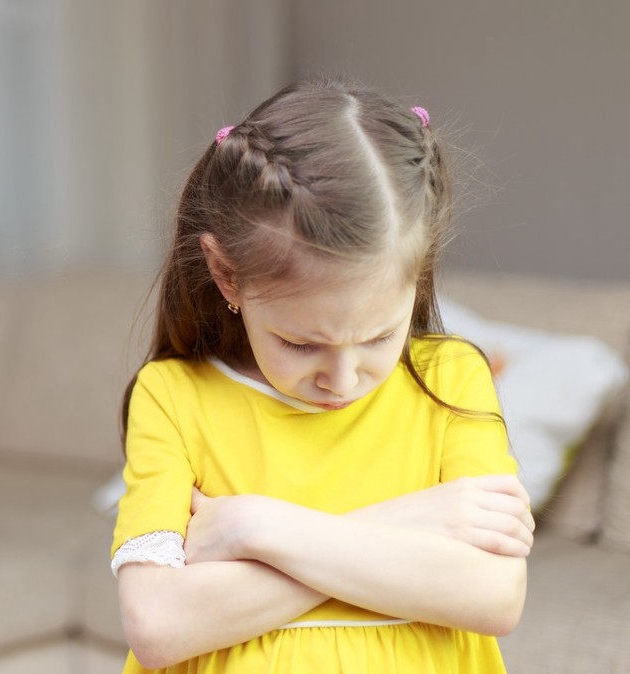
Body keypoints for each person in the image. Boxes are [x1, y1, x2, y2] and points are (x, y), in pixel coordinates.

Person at [111, 79, 535, 673]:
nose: (342, 378)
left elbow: (493, 596)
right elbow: (158, 626)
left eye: (378, 337)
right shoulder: (175, 397)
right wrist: (411, 520)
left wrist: (256, 528)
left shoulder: (451, 377)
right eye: (301, 342)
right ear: (226, 275)